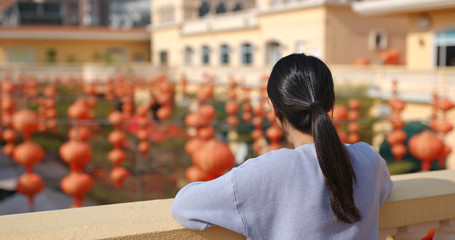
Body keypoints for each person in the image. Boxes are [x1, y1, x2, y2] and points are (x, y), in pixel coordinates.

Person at [171, 53, 393, 239]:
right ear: (331, 104)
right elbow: (384, 189)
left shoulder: (270, 171)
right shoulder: (369, 159)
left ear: (275, 111)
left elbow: (183, 206)